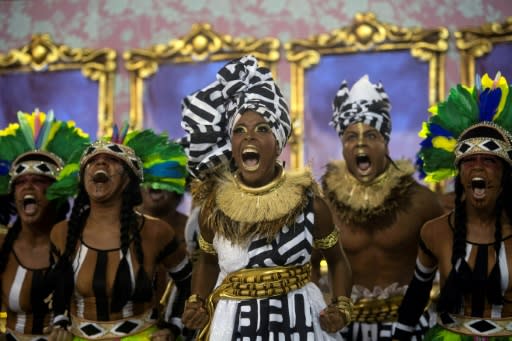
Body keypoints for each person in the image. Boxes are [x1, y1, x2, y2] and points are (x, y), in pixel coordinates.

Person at [179, 55, 352, 340]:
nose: (249, 137)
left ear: (279, 142)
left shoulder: (309, 204)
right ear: (232, 144)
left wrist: (341, 306)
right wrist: (197, 300)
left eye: (262, 129)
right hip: (232, 322)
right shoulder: (214, 207)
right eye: (239, 131)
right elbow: (208, 262)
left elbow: (337, 260)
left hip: (300, 321)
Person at [320, 75, 444, 340]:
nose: (361, 144)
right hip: (344, 326)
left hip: (409, 324)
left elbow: (450, 261)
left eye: (371, 135)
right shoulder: (324, 205)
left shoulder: (420, 201)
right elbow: (306, 272)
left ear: (386, 142)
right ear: (343, 146)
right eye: (351, 136)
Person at [393, 73, 512, 340]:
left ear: (506, 174)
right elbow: (418, 293)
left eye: (490, 160)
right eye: (470, 161)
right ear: (458, 175)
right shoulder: (435, 232)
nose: (478, 166)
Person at [47, 125, 192, 341]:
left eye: (113, 160)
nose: (101, 162)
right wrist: (60, 322)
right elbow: (58, 288)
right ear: (83, 177)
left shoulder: (156, 231)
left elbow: (188, 283)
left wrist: (173, 327)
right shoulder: (62, 233)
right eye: (92, 160)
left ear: (128, 181)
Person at [0, 110, 90, 340]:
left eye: (39, 181)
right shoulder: (2, 243)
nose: (28, 188)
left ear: (57, 194)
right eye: (20, 183)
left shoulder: (80, 245)